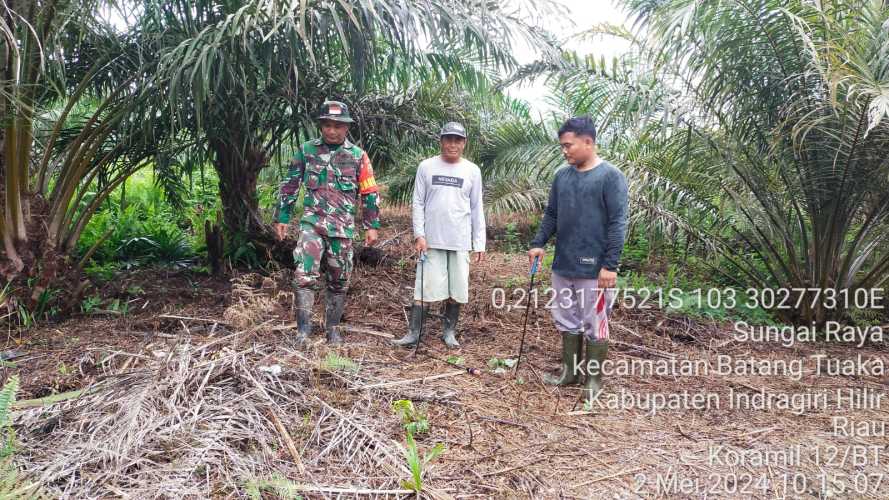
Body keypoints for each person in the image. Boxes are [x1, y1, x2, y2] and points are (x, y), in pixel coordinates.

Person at [528, 116, 628, 402]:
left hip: (595, 270)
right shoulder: (562, 176)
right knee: (566, 319)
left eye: (568, 145)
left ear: (588, 141)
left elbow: (618, 223)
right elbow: (552, 214)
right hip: (564, 264)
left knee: (595, 322)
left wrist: (610, 265)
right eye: (562, 146)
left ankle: (593, 381)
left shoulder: (610, 177)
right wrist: (538, 243)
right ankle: (570, 373)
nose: (564, 151)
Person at [274, 100, 380, 345]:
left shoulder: (358, 156)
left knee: (339, 279)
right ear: (321, 126)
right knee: (304, 274)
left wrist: (371, 225)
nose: (332, 130)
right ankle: (303, 331)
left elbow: (369, 192)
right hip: (312, 224)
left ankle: (332, 329)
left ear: (347, 128)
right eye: (328, 125)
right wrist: (282, 217)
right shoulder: (306, 151)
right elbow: (291, 184)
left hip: (342, 228)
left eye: (338, 126)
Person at [392, 122, 486, 349]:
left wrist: (479, 242)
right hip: (431, 240)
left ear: (464, 143)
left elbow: (476, 207)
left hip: (460, 240)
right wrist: (419, 234)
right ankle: (414, 333)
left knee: (457, 289)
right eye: (448, 139)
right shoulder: (426, 167)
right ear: (441, 141)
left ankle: (449, 332)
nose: (452, 144)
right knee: (424, 287)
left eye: (458, 140)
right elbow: (417, 202)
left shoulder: (472, 170)